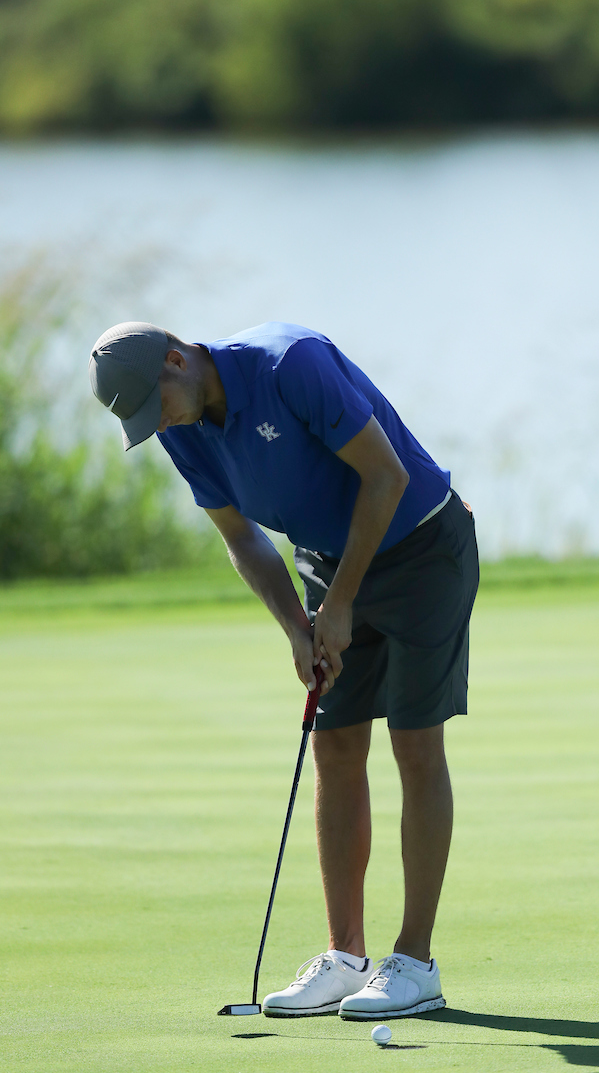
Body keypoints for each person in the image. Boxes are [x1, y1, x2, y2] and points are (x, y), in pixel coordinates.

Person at [89, 320, 479, 1020]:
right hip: (328, 563)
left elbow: (385, 477)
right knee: (334, 745)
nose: (162, 424)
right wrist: (298, 628)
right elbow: (242, 536)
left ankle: (416, 963)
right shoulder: (181, 429)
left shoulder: (289, 365)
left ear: (177, 360)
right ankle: (345, 957)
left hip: (422, 549)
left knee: (416, 745)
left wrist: (343, 603)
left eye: (159, 405)